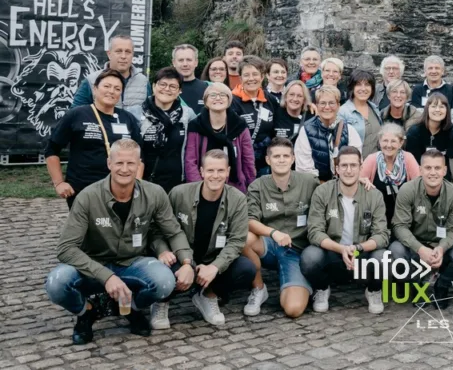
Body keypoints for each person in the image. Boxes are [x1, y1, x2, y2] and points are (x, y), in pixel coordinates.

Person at [44, 140, 190, 344]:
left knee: (165, 281)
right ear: (109, 163)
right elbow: (66, 248)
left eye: (131, 163)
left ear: (139, 165)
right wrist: (107, 276)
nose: (125, 169)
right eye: (119, 163)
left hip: (133, 262)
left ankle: (130, 308)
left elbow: (173, 232)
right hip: (94, 264)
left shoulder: (155, 193)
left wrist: (187, 263)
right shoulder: (87, 197)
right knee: (56, 282)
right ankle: (87, 311)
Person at [148, 149, 255, 329]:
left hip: (212, 258)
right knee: (166, 272)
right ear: (201, 171)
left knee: (246, 269)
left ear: (228, 171)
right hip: (181, 258)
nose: (215, 175)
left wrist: (215, 267)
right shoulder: (179, 193)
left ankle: (206, 294)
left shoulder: (237, 199)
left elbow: (236, 241)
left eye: (220, 170)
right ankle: (161, 301)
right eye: (210, 170)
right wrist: (163, 251)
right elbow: (157, 228)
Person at [301, 145, 390, 315]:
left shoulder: (374, 195)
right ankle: (322, 288)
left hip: (361, 253)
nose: (349, 170)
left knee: (384, 257)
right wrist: (341, 249)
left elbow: (382, 235)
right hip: (333, 253)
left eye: (353, 165)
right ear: (337, 169)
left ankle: (373, 290)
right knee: (310, 257)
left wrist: (357, 248)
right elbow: (314, 231)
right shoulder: (322, 192)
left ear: (361, 168)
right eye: (344, 166)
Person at [242, 138, 320, 318]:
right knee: (244, 238)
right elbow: (249, 220)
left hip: (297, 252)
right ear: (268, 160)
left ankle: (303, 283)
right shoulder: (258, 185)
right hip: (270, 245)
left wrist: (362, 179)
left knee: (293, 309)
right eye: (276, 156)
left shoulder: (309, 182)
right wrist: (273, 233)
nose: (281, 160)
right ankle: (259, 289)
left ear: (293, 158)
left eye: (286, 156)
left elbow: (333, 190)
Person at [46, 69, 143, 207]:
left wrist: (136, 184)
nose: (111, 91)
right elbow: (52, 149)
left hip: (120, 190)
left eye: (117, 88)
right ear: (95, 89)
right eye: (107, 86)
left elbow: (140, 155)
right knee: (87, 228)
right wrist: (59, 183)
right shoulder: (77, 115)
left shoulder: (127, 118)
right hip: (83, 189)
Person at [390, 148, 453, 307]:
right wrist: (420, 249)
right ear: (420, 170)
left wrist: (441, 248)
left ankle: (443, 284)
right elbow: (399, 226)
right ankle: (416, 286)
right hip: (414, 244)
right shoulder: (407, 190)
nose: (433, 172)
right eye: (428, 168)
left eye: (437, 168)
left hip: (442, 245)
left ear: (445, 170)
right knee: (395, 251)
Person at [127, 67, 197, 194]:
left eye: (172, 86)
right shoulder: (135, 113)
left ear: (179, 91)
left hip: (176, 184)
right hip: (143, 183)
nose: (166, 89)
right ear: (153, 86)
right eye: (162, 84)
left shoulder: (187, 115)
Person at [185, 83, 256, 193]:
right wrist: (198, 188)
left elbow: (248, 159)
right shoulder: (196, 126)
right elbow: (190, 161)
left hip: (234, 188)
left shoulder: (239, 125)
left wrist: (251, 187)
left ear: (229, 100)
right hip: (203, 186)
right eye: (213, 95)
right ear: (205, 101)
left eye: (223, 95)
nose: (218, 98)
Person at [295, 86, 363, 182]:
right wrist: (326, 188)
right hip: (315, 187)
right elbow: (304, 169)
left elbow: (356, 163)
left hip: (343, 185)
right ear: (317, 105)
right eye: (323, 103)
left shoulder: (349, 130)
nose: (327, 107)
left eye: (331, 103)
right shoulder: (306, 130)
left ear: (338, 105)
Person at [360, 123, 421, 225]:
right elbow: (358, 183)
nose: (388, 145)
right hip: (377, 217)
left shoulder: (408, 158)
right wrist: (362, 181)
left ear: (401, 143)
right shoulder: (372, 159)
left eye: (393, 141)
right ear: (379, 142)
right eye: (385, 141)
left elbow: (419, 185)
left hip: (404, 217)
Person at [71, 35, 148, 108]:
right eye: (118, 51)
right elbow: (75, 114)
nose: (123, 56)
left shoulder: (143, 82)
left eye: (128, 52)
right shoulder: (91, 80)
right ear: (109, 54)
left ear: (132, 54)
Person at [229, 56, 277, 173]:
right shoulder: (231, 101)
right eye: (246, 75)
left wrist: (308, 105)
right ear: (240, 78)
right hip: (240, 161)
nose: (251, 78)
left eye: (255, 74)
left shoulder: (270, 99)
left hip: (265, 163)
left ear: (262, 76)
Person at [339, 69, 383, 158]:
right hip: (355, 165)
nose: (363, 89)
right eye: (358, 84)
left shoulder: (375, 108)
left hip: (376, 164)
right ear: (352, 88)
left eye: (367, 85)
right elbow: (339, 145)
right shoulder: (343, 112)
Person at [405, 92, 453, 163]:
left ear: (447, 110)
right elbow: (413, 162)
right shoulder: (414, 132)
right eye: (434, 106)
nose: (437, 110)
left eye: (442, 106)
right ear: (427, 109)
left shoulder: (450, 131)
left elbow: (450, 161)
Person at [172, 44, 208, 112]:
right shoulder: (166, 90)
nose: (185, 64)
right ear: (174, 63)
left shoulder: (208, 88)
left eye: (189, 60)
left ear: (196, 62)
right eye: (181, 60)